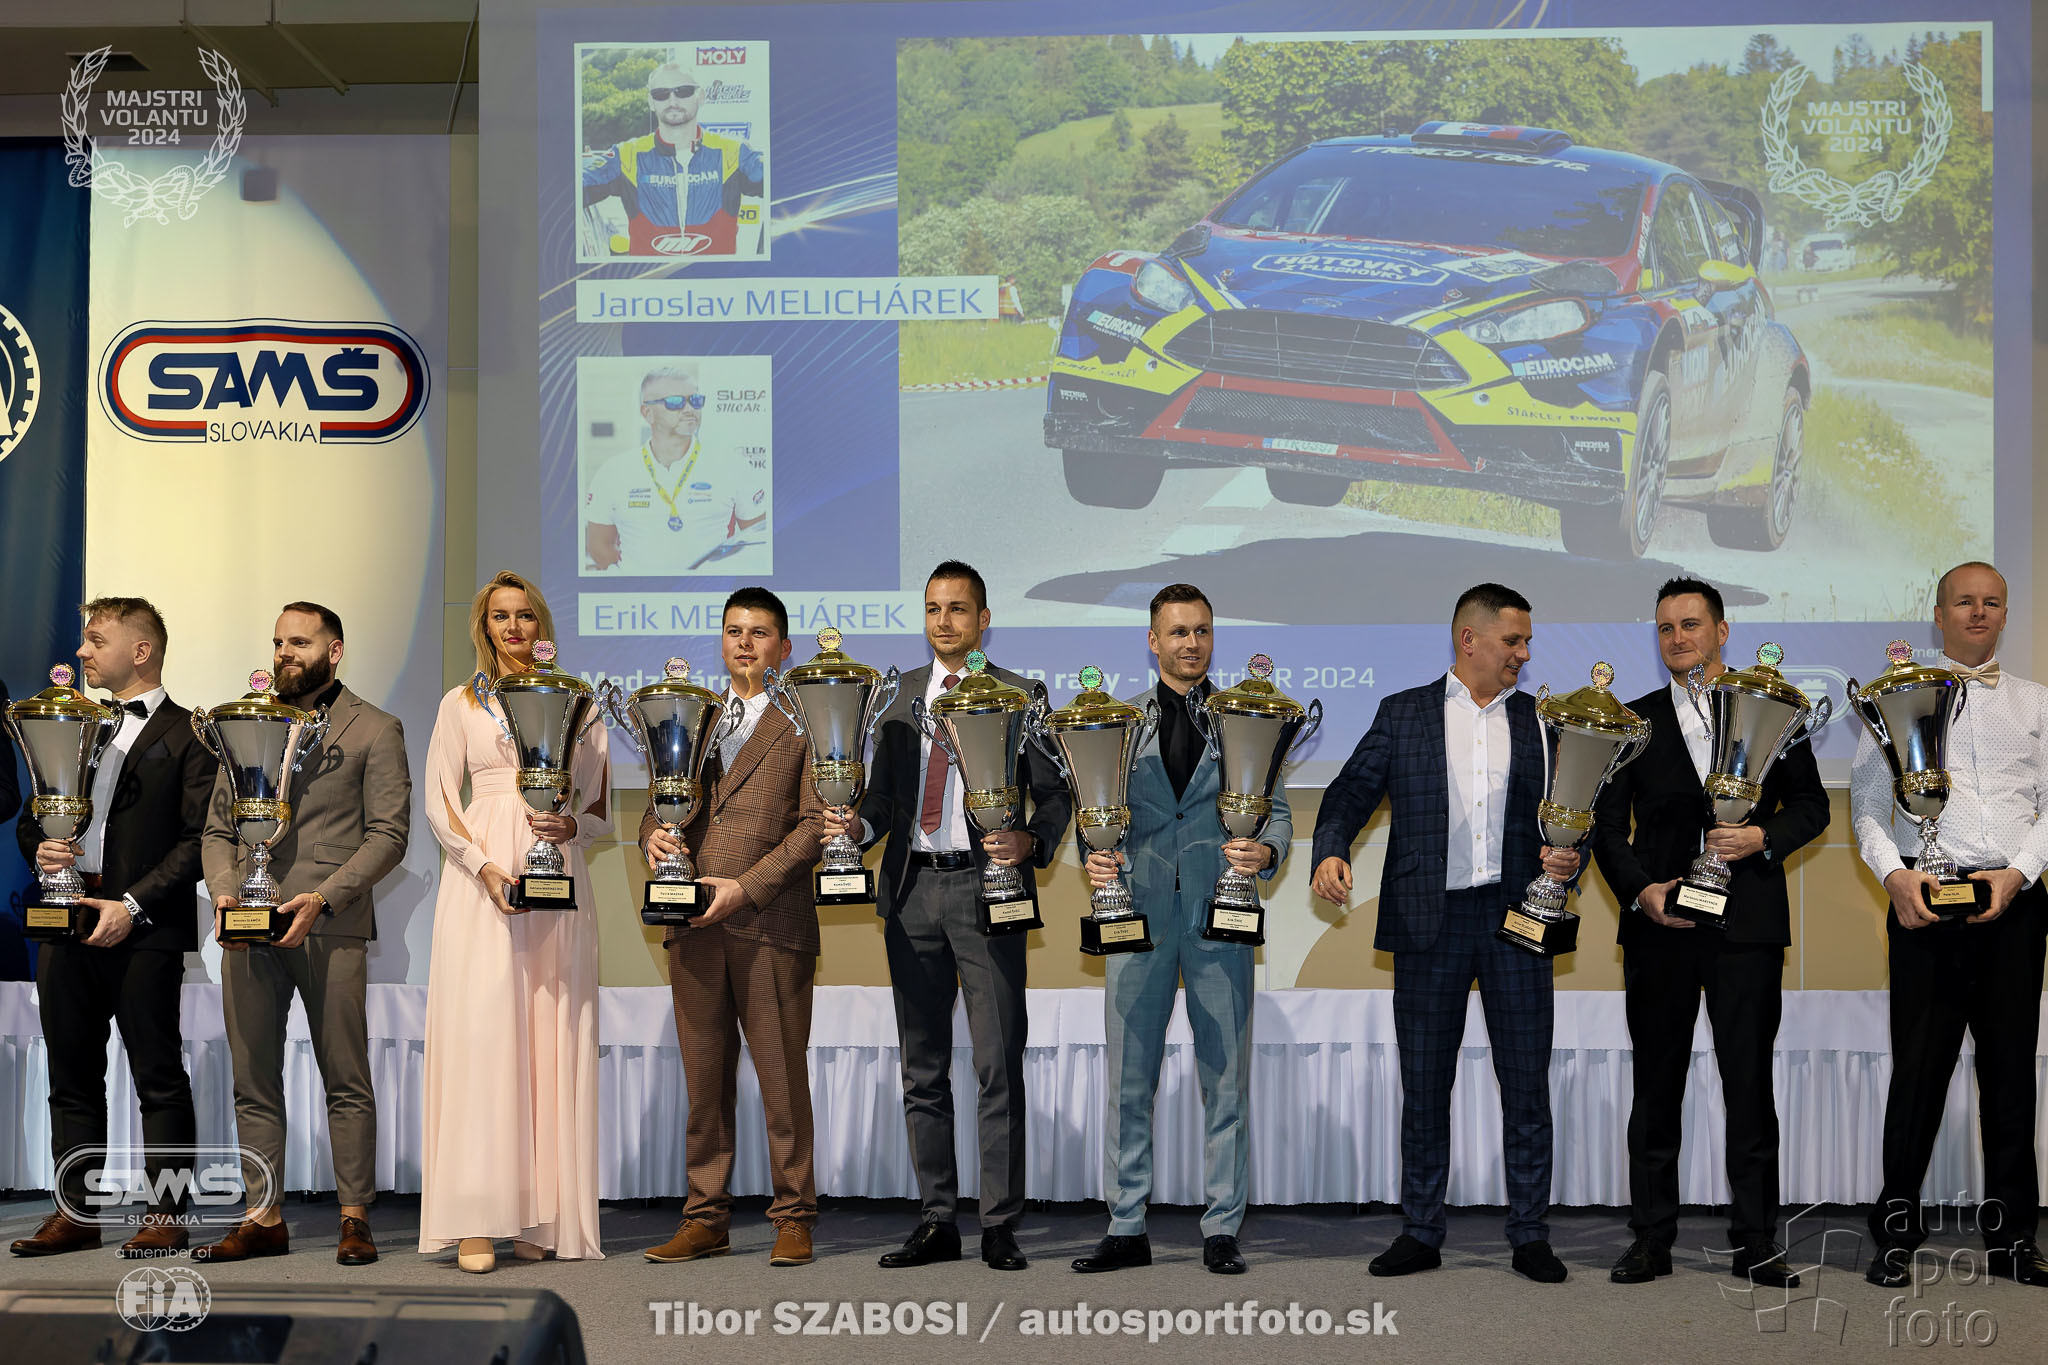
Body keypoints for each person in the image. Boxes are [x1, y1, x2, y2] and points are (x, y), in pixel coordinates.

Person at [1310, 583, 1578, 1283]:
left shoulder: (1544, 721)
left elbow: (1579, 810)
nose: (1523, 653)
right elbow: (1349, 791)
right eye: (1513, 640)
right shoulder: (1403, 713)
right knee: (1425, 1086)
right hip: (1429, 921)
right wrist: (1330, 849)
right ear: (1469, 639)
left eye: (1526, 641)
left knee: (1527, 1086)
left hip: (1519, 920)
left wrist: (1571, 857)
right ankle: (1421, 1230)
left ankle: (1530, 1234)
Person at [821, 560, 1071, 1272]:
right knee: (922, 1067)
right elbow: (880, 799)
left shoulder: (1023, 694)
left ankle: (999, 1223)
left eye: (958, 609)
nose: (944, 621)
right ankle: (937, 1219)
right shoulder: (894, 695)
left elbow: (1055, 794)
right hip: (912, 893)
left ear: (983, 620)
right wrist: (857, 829)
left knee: (997, 1064)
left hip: (989, 890)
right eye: (933, 608)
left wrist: (1031, 841)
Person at [1590, 578, 1827, 1288]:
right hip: (1661, 927)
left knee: (1748, 1087)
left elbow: (1812, 806)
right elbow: (1606, 826)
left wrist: (1761, 836)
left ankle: (1757, 1240)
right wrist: (1641, 890)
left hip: (1746, 930)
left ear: (1722, 631)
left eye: (1690, 624)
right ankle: (1650, 1238)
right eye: (1665, 628)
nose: (1677, 638)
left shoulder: (1774, 709)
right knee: (1655, 1089)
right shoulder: (1633, 721)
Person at [1070, 584, 1290, 1277]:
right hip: (1135, 919)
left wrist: (1266, 851)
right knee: (1128, 1084)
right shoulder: (1118, 722)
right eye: (1177, 631)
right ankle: (1125, 1225)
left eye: (1201, 631)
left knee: (1226, 1084)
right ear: (1152, 640)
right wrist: (1092, 854)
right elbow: (1092, 811)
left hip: (1219, 922)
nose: (1191, 643)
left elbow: (1278, 811)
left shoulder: (1245, 717)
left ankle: (1222, 1227)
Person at [193, 603, 412, 1267]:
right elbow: (219, 829)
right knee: (253, 1077)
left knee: (345, 1075)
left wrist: (322, 896)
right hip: (248, 924)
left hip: (330, 922)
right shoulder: (246, 724)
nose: (285, 652)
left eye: (299, 642)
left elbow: (389, 835)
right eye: (278, 642)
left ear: (334, 650)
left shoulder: (375, 727)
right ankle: (262, 1216)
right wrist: (226, 890)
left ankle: (354, 1216)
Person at [1854, 561, 2048, 1288]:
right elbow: (1867, 807)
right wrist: (1894, 876)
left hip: (2013, 904)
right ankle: (1897, 1232)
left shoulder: (2036, 703)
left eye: (1992, 602)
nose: (1978, 612)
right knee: (1917, 1076)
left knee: (2010, 1078)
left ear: (2005, 613)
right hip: (1924, 902)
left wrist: (2019, 871)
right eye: (1964, 601)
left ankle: (2013, 1239)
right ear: (1939, 614)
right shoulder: (1897, 695)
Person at [417, 571, 612, 1273]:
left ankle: (542, 1216)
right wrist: (483, 866)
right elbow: (440, 799)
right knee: (485, 1040)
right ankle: (476, 1216)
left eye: (525, 615)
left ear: (541, 624)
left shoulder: (580, 701)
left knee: (549, 1039)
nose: (513, 627)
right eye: (500, 616)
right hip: (483, 882)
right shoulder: (460, 703)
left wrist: (572, 827)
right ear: (485, 626)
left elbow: (599, 808)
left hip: (558, 877)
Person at [10, 598, 216, 1257]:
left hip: (144, 928)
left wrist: (132, 905)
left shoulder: (192, 733)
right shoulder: (74, 721)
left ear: (141, 651)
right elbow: (32, 815)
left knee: (159, 1075)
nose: (82, 652)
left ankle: (168, 1212)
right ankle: (77, 1213)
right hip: (64, 919)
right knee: (70, 1076)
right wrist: (41, 848)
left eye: (97, 640)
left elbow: (198, 841)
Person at [639, 587, 825, 1268]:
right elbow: (663, 802)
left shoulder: (808, 720)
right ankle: (705, 1217)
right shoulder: (692, 715)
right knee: (704, 1084)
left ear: (784, 647)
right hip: (692, 924)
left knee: (782, 1081)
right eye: (733, 631)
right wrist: (652, 838)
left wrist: (745, 888)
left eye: (759, 632)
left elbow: (816, 827)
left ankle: (794, 1216)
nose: (744, 643)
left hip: (769, 921)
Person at [584, 365, 770, 577]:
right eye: (675, 402)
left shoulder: (731, 464)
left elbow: (757, 538)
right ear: (647, 413)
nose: (689, 409)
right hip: (640, 595)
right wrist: (637, 580)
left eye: (696, 400)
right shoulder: (614, 471)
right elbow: (599, 546)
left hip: (708, 592)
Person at [581, 61, 765, 257]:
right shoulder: (626, 154)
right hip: (653, 276)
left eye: (683, 91)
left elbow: (783, 180)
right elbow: (570, 189)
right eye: (661, 94)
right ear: (651, 102)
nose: (672, 101)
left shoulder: (734, 152)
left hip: (714, 275)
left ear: (701, 96)